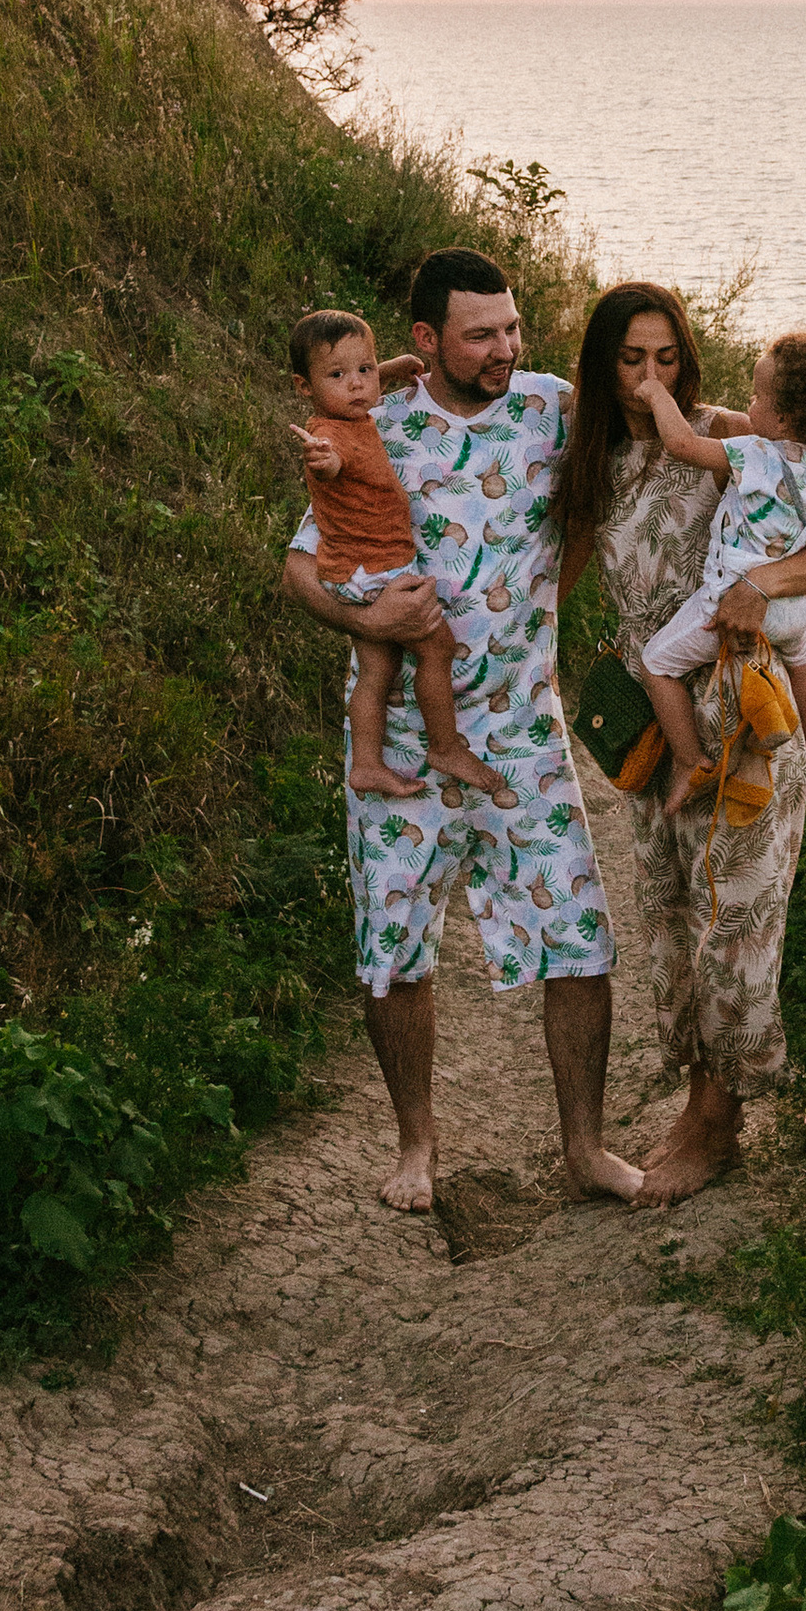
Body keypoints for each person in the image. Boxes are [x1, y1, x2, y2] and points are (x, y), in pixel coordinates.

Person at [278, 249, 638, 1214]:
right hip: (400, 741)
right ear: (426, 341)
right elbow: (301, 566)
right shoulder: (375, 428)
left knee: (582, 941)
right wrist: (363, 623)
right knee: (393, 950)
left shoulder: (550, 410)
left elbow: (653, 413)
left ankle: (586, 1149)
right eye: (482, 334)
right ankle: (417, 1149)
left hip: (522, 731)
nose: (506, 349)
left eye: (513, 328)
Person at [555, 283, 806, 1203]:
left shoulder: (724, 433)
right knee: (678, 913)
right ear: (604, 366)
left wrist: (763, 582)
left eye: (667, 357)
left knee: (739, 917)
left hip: (746, 703)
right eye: (631, 360)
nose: (653, 376)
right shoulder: (589, 449)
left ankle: (719, 1126)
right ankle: (699, 1104)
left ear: (687, 361)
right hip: (661, 716)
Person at [634, 332, 806, 809]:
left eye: (758, 397)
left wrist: (656, 392)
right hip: (792, 611)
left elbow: (681, 444)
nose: (749, 404)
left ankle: (687, 759)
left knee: (656, 665)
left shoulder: (756, 454)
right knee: (802, 668)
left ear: (781, 418)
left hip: (733, 602)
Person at [288, 309, 507, 805]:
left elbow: (355, 381)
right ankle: (446, 746)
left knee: (377, 670)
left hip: (352, 568)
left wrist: (390, 367)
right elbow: (332, 460)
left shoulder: (345, 408)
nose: (359, 385)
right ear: (305, 388)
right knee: (437, 649)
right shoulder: (333, 436)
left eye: (365, 369)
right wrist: (325, 463)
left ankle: (366, 764)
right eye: (339, 376)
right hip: (377, 572)